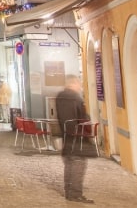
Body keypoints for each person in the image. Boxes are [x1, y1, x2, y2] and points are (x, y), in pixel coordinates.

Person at [56, 74, 94, 204]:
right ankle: (75, 194)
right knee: (78, 165)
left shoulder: (60, 97)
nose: (80, 87)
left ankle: (70, 192)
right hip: (77, 137)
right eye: (79, 84)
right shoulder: (75, 98)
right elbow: (80, 118)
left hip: (67, 136)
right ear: (73, 84)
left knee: (70, 164)